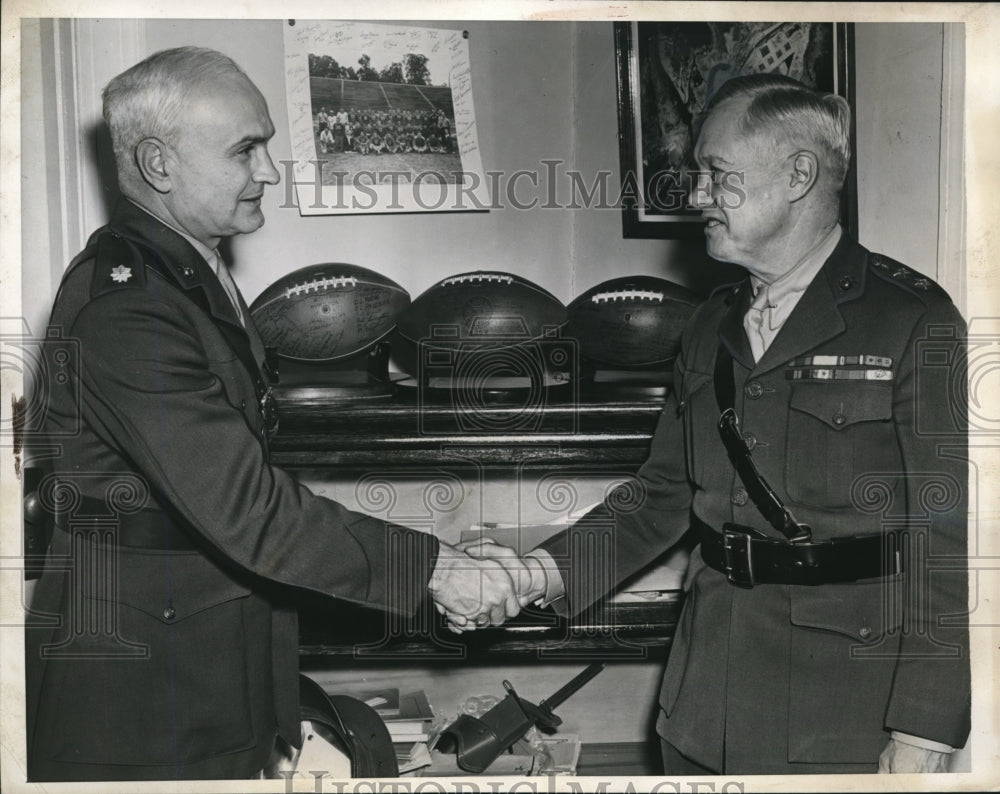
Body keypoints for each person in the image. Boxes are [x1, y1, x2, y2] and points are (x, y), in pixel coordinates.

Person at [23, 46, 518, 782]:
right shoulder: (128, 308)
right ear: (159, 165)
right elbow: (246, 506)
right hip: (145, 687)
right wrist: (434, 567)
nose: (269, 172)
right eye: (245, 150)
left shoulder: (183, 273)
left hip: (202, 646)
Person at [460, 73, 971, 775]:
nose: (696, 195)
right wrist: (535, 573)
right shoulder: (710, 323)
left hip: (844, 708)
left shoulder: (913, 321)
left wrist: (926, 729)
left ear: (798, 175)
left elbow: (951, 540)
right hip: (704, 700)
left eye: (716, 174)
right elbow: (661, 495)